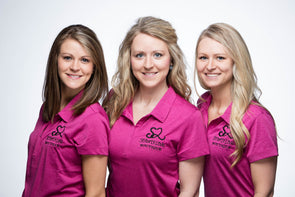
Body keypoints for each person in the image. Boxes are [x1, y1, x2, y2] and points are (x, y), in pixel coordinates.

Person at [103, 16, 209, 197]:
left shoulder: (189, 117)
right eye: (139, 55)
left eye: (158, 55)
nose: (148, 64)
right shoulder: (115, 101)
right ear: (129, 59)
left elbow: (189, 192)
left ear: (171, 60)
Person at [22, 24, 109, 197]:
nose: (75, 67)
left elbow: (96, 193)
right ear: (56, 60)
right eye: (68, 58)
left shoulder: (92, 120)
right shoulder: (48, 108)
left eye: (85, 60)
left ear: (94, 67)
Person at [194, 23, 278, 197]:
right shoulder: (201, 106)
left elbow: (265, 191)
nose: (210, 66)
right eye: (203, 57)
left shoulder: (257, 118)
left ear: (236, 61)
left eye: (220, 58)